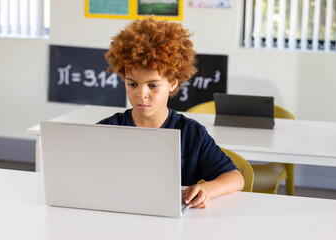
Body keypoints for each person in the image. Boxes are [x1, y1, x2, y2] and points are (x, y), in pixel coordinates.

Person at [98, 17, 244, 208]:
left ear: (173, 83)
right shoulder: (106, 130)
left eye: (153, 85)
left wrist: (208, 189)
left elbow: (235, 178)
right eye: (132, 84)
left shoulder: (191, 134)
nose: (142, 94)